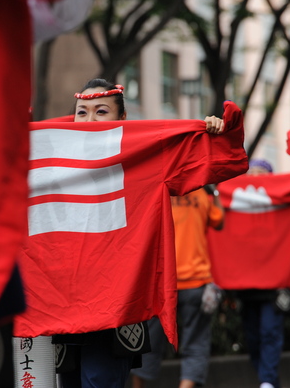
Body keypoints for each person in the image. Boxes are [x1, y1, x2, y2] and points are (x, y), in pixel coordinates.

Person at [53, 79, 225, 388]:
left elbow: (213, 163)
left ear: (121, 120)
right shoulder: (54, 166)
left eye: (101, 111)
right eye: (82, 112)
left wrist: (212, 134)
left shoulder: (144, 163)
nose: (90, 120)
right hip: (66, 304)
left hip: (116, 300)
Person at [130, 185, 224, 388]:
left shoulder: (159, 191)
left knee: (146, 343)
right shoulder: (201, 195)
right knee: (195, 342)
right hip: (196, 282)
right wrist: (214, 192)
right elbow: (219, 220)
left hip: (160, 284)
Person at [233, 159, 289, 388]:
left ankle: (266, 381)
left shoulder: (281, 207)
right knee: (253, 338)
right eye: (251, 173)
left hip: (274, 286)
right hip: (247, 286)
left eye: (261, 173)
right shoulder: (236, 210)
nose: (254, 178)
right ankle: (269, 380)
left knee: (269, 333)